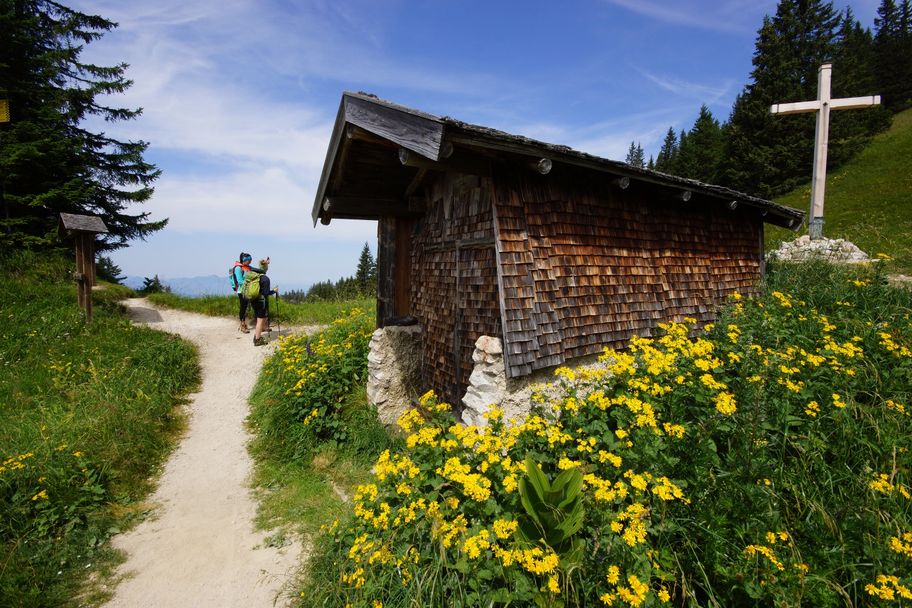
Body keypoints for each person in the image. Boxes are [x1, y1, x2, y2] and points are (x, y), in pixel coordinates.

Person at [250, 257, 277, 346]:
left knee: (260, 318)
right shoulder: (265, 279)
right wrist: (274, 291)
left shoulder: (254, 277)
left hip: (253, 300)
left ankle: (257, 335)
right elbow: (266, 293)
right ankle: (257, 340)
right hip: (261, 301)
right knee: (260, 320)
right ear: (265, 268)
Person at [232, 252, 253, 333]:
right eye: (249, 260)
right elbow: (240, 281)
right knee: (243, 307)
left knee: (247, 307)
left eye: (250, 260)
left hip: (249, 290)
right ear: (244, 260)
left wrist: (264, 264)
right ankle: (242, 324)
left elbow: (259, 271)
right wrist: (250, 283)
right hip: (242, 291)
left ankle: (244, 323)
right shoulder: (238, 268)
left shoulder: (248, 267)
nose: (250, 262)